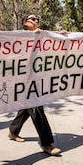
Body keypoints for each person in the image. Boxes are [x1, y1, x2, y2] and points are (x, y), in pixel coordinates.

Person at [8, 14, 61, 156]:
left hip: (36, 78)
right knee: (37, 110)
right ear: (25, 22)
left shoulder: (40, 34)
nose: (36, 21)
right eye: (33, 19)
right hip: (24, 80)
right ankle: (47, 143)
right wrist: (32, 36)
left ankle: (13, 131)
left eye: (37, 19)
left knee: (27, 107)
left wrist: (60, 36)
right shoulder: (20, 35)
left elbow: (49, 37)